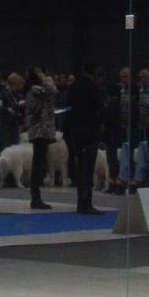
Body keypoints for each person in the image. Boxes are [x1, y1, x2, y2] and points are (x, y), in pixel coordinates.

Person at [65, 61, 104, 214]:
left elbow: (69, 107)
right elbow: (99, 107)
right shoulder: (92, 87)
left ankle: (80, 201)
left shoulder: (73, 86)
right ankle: (86, 201)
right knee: (88, 168)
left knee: (79, 166)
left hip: (75, 131)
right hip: (89, 131)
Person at [23, 66, 57, 209]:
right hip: (39, 131)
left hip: (43, 130)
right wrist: (44, 78)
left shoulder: (35, 90)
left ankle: (36, 196)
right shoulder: (35, 90)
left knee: (39, 163)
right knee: (38, 163)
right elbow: (52, 90)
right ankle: (35, 197)